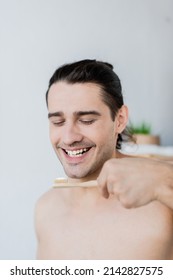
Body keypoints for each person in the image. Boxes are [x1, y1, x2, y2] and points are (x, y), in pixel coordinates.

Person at [35, 59, 173, 259]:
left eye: (86, 120)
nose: (68, 137)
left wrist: (164, 178)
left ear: (120, 120)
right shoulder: (45, 210)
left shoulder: (161, 195)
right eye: (58, 122)